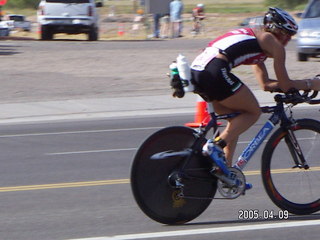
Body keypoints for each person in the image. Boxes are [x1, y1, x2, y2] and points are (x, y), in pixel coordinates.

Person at [191, 8, 320, 173]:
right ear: (276, 30)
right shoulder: (272, 43)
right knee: (253, 112)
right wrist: (312, 84)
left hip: (200, 70)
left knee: (237, 116)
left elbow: (265, 84)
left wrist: (289, 86)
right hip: (215, 70)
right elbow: (287, 85)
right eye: (287, 34)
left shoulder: (257, 39)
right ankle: (215, 146)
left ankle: (225, 172)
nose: (288, 41)